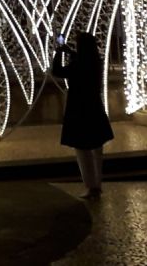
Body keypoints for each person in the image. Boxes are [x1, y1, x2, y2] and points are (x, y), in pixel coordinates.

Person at [52, 31, 114, 199]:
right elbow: (83, 60)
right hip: (95, 108)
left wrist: (58, 51)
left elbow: (57, 71)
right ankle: (97, 185)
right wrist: (70, 52)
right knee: (96, 149)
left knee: (82, 150)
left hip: (79, 109)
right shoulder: (95, 61)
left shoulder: (78, 64)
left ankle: (90, 187)